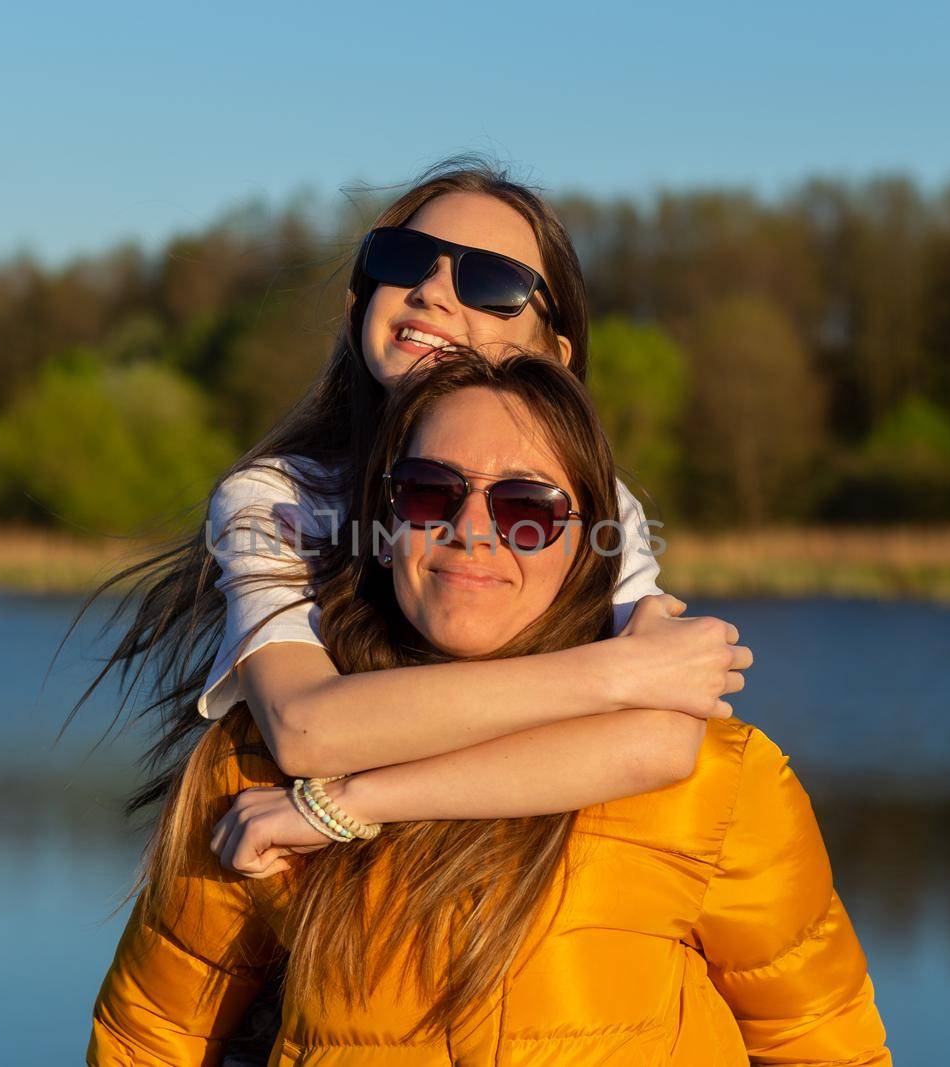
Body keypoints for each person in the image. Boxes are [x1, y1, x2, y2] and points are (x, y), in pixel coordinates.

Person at [88, 350, 889, 1065]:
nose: (471, 530)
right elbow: (149, 1039)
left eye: (527, 508)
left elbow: (829, 1049)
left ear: (591, 545)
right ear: (383, 516)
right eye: (430, 491)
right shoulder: (254, 760)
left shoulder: (718, 781)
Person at [71, 158, 750, 855]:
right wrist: (615, 676)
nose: (431, 291)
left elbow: (664, 736)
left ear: (555, 355)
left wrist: (353, 801)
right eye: (405, 259)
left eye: (490, 283)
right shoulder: (278, 498)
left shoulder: (603, 506)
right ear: (359, 302)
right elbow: (307, 728)